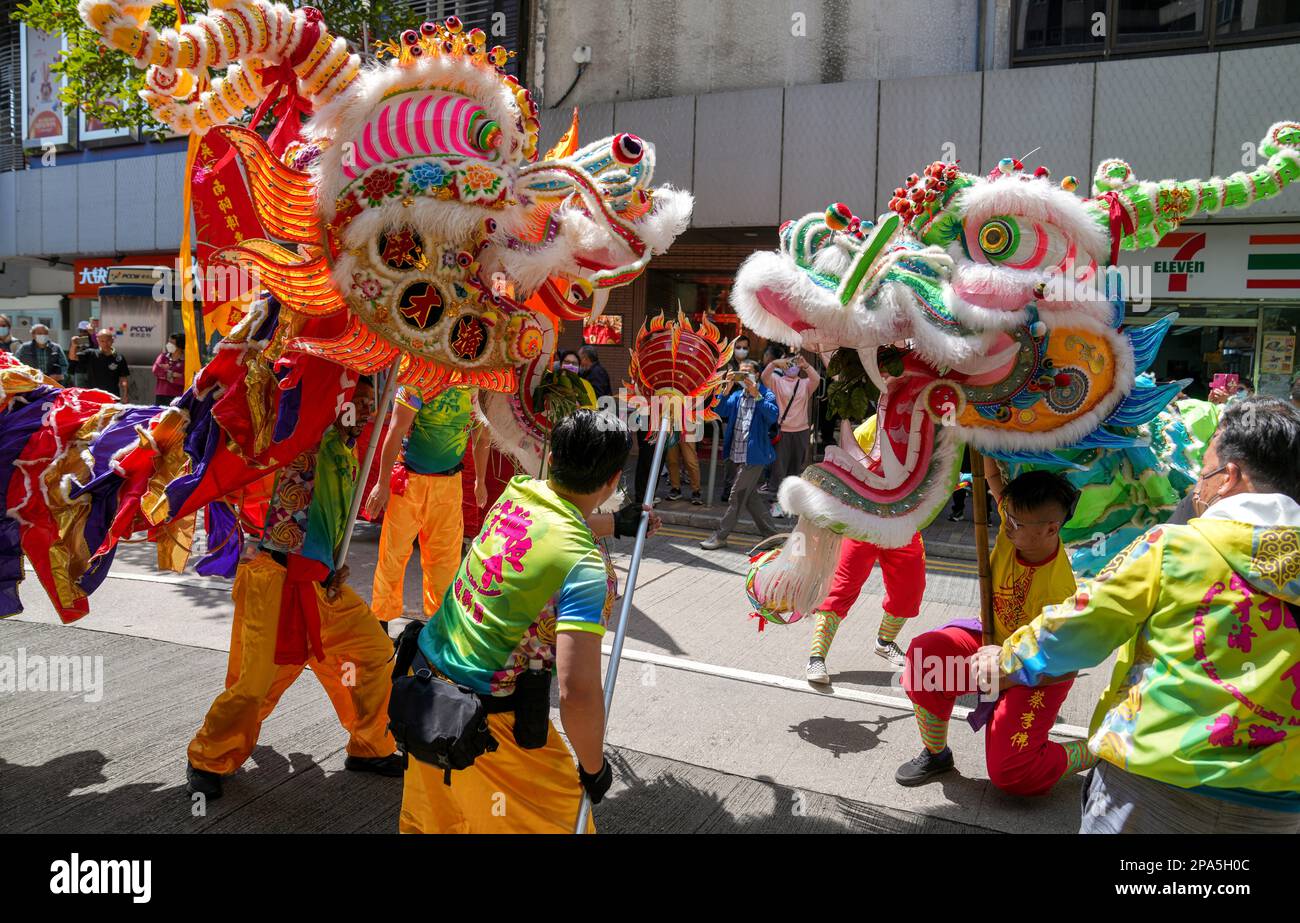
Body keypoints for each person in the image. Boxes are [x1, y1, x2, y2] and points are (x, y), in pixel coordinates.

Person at [978, 398, 1300, 832]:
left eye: (1202, 473)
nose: (1196, 490)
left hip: (1153, 783)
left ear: (1229, 477)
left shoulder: (1175, 548)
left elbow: (1083, 626)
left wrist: (1003, 660)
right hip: (1278, 803)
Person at [399, 409, 631, 833]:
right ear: (614, 480)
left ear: (553, 457)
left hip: (428, 700)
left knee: (437, 823)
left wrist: (616, 523)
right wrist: (594, 767)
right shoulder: (585, 566)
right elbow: (576, 691)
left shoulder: (517, 494)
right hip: (492, 730)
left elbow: (554, 523)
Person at [185, 377, 402, 799]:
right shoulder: (294, 434)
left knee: (370, 656)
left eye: (371, 399)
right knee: (256, 684)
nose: (366, 408)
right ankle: (210, 756)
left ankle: (369, 745)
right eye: (358, 397)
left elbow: (334, 517)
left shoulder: (345, 449)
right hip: (272, 576)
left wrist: (334, 563)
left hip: (322, 584)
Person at [896, 469, 1097, 795]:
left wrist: (1002, 677)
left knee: (1013, 774)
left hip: (1036, 670)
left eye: (1016, 523)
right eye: (1008, 516)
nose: (1006, 524)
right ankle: (937, 754)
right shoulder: (1012, 524)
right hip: (988, 640)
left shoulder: (1061, 594)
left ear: (1051, 529)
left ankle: (1098, 747)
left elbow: (1064, 666)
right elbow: (991, 473)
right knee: (924, 657)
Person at [806, 416, 925, 681]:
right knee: (842, 587)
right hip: (864, 520)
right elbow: (844, 469)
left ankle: (885, 642)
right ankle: (816, 658)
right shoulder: (873, 426)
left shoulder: (930, 428)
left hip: (903, 524)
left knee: (910, 589)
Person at [365, 385, 487, 624]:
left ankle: (438, 624)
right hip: (409, 482)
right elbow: (396, 429)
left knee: (445, 561)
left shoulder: (477, 391)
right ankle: (381, 619)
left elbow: (482, 440)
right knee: (393, 554)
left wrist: (480, 480)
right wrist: (382, 482)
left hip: (449, 485)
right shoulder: (418, 381)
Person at [700, 360, 780, 550]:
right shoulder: (737, 395)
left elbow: (773, 416)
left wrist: (757, 396)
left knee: (736, 496)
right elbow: (719, 410)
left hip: (755, 456)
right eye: (740, 373)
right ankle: (773, 536)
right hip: (737, 454)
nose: (743, 377)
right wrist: (725, 388)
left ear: (757, 375)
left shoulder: (766, 394)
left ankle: (720, 536)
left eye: (747, 373)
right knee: (750, 497)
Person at [762, 352, 820, 517]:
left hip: (801, 431)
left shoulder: (805, 384)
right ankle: (775, 503)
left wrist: (805, 365)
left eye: (794, 363)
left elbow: (816, 379)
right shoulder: (776, 382)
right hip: (783, 432)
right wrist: (775, 363)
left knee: (796, 469)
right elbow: (764, 376)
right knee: (778, 469)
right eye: (789, 363)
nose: (792, 366)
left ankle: (790, 504)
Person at [68, 327, 129, 398]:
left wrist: (125, 395)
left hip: (112, 396)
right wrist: (73, 346)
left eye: (108, 340)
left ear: (112, 340)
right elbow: (73, 357)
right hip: (94, 396)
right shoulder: (90, 354)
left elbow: (123, 378)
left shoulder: (119, 358)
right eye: (102, 341)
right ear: (98, 341)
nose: (105, 343)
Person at [152, 333, 185, 405]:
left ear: (180, 346)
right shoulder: (163, 357)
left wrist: (165, 373)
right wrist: (173, 375)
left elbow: (185, 379)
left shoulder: (186, 361)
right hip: (161, 394)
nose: (169, 345)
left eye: (172, 343)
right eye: (168, 342)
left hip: (177, 396)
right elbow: (156, 370)